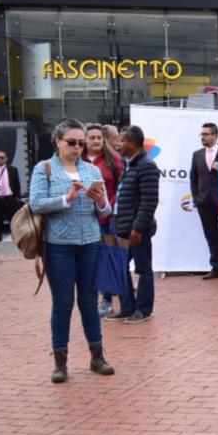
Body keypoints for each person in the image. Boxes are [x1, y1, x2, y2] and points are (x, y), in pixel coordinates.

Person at [28, 118, 115, 383]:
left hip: (89, 243)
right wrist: (66, 198)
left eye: (81, 143)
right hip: (58, 246)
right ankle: (60, 362)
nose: (77, 148)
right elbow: (36, 203)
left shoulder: (91, 171)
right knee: (63, 302)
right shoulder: (45, 169)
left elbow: (106, 212)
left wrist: (101, 203)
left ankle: (97, 356)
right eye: (72, 143)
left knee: (89, 302)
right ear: (57, 141)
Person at [110, 125, 160, 325]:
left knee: (143, 269)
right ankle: (127, 308)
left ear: (132, 143)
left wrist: (138, 228)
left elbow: (149, 200)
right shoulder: (128, 164)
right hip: (121, 226)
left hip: (137, 230)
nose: (118, 144)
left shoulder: (146, 165)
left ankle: (143, 309)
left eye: (121, 140)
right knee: (120, 267)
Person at [84, 124, 123, 317]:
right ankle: (88, 299)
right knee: (89, 260)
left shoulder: (113, 159)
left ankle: (106, 300)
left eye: (99, 137)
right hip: (83, 219)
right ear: (84, 140)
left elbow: (120, 186)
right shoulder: (77, 161)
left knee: (107, 258)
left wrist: (110, 205)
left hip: (108, 218)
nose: (96, 141)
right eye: (92, 138)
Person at [191, 122, 218, 280]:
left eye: (206, 134)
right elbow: (193, 178)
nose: (203, 137)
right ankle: (216, 268)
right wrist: (196, 197)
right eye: (202, 134)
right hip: (204, 202)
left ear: (215, 135)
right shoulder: (197, 154)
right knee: (211, 235)